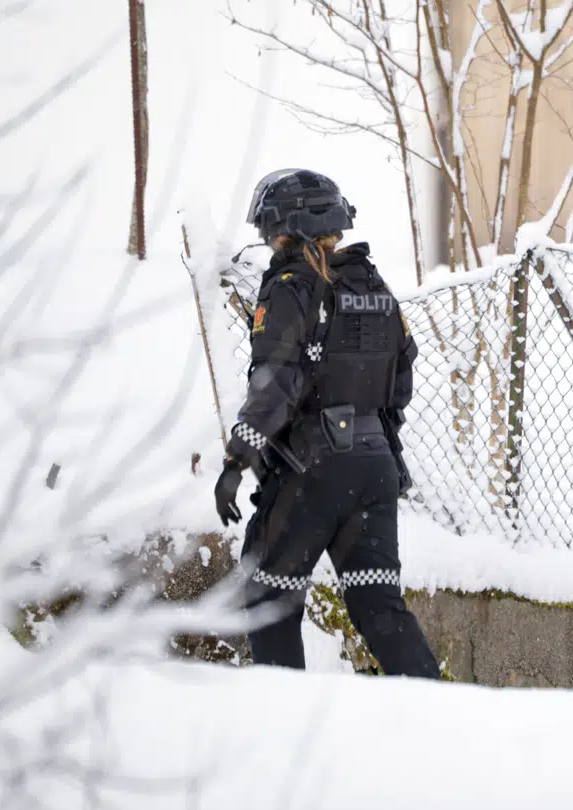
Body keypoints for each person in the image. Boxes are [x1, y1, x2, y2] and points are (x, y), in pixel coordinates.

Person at [213, 168, 440, 678]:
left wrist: (237, 457)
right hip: (376, 466)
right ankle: (441, 709)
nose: (267, 241)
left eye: (269, 231)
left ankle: (283, 715)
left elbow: (275, 383)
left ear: (285, 229)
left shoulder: (291, 288)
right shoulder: (374, 286)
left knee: (267, 597)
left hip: (312, 468)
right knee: (378, 607)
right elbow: (401, 376)